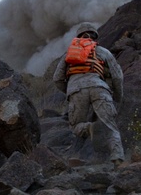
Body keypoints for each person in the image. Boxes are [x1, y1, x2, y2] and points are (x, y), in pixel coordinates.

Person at [53, 22, 127, 166]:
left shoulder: (69, 54)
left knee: (76, 126)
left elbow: (57, 78)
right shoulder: (103, 52)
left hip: (76, 91)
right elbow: (117, 76)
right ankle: (118, 159)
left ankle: (89, 128)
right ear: (95, 36)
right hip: (100, 88)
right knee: (111, 126)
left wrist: (70, 91)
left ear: (78, 37)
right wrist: (118, 97)